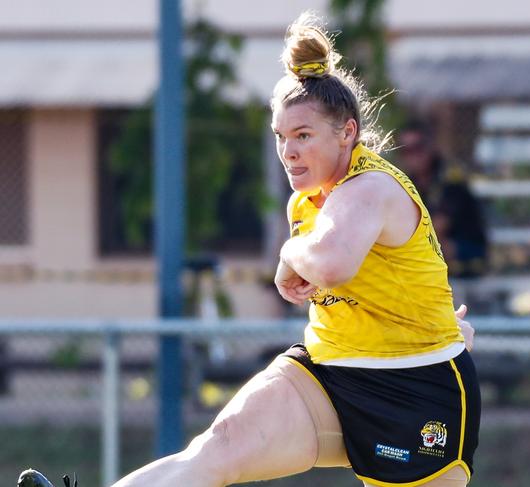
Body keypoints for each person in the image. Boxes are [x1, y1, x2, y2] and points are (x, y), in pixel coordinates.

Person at [19, 13, 479, 487]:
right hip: (332, 374)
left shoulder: (371, 187)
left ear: (347, 133)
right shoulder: (304, 203)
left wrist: (288, 256)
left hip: (417, 392)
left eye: (303, 135)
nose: (289, 152)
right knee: (220, 446)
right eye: (281, 137)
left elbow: (333, 264)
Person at [398, 121, 488, 277]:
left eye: (418, 148)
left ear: (430, 147)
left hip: (467, 248)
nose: (413, 156)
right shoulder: (408, 181)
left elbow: (437, 227)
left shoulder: (451, 177)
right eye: (406, 150)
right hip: (434, 247)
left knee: (433, 246)